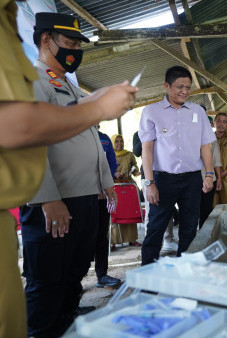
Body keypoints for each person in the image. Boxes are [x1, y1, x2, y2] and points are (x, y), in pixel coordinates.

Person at [0, 5, 136, 336]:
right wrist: (47, 198)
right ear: (46, 40)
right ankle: (44, 329)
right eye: (70, 44)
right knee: (47, 281)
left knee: (74, 273)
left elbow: (91, 138)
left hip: (85, 196)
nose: (76, 52)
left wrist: (105, 182)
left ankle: (66, 320)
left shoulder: (70, 87)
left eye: (78, 47)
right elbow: (30, 139)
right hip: (57, 201)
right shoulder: (33, 82)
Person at [139, 65, 215, 264]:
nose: (185, 91)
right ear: (167, 86)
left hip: (192, 179)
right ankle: (148, 276)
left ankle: (185, 272)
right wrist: (149, 183)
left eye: (188, 87)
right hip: (163, 180)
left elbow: (205, 146)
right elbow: (146, 150)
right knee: (156, 227)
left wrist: (208, 174)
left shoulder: (198, 111)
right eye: (180, 86)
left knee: (190, 227)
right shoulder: (151, 111)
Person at [133, 131, 178, 253]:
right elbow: (136, 152)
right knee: (150, 211)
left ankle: (168, 241)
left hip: (165, 174)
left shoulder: (164, 129)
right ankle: (150, 242)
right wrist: (147, 135)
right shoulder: (138, 134)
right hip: (148, 177)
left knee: (168, 209)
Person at [95, 128, 121, 288]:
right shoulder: (73, 133)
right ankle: (73, 282)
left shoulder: (104, 139)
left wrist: (105, 186)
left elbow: (110, 164)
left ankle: (101, 274)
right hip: (78, 195)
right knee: (79, 237)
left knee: (101, 235)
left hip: (101, 194)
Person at [110, 134, 141, 248]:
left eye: (121, 141)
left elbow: (135, 167)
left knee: (130, 212)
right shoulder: (110, 155)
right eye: (116, 141)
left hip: (128, 187)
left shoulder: (129, 154)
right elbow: (105, 169)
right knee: (116, 213)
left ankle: (132, 239)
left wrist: (135, 171)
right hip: (115, 188)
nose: (119, 144)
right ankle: (112, 242)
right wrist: (114, 174)